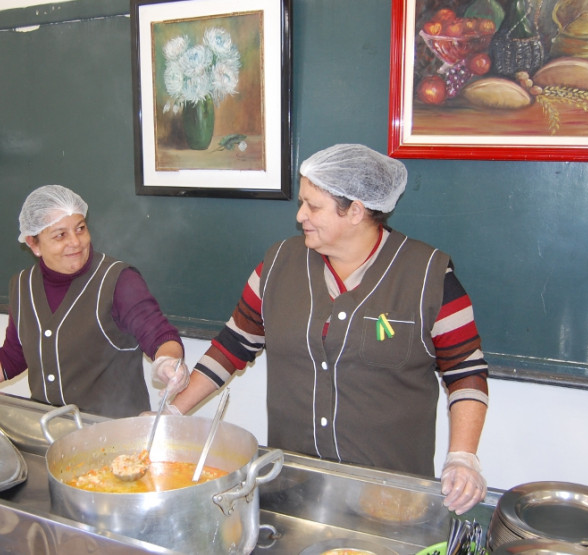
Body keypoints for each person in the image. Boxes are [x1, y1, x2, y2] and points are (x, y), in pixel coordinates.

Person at [171, 144, 488, 514]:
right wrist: (174, 414)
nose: (301, 215)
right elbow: (233, 345)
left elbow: (465, 371)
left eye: (313, 206)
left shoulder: (429, 276)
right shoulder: (277, 266)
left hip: (390, 497)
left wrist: (463, 456)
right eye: (301, 203)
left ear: (355, 210)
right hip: (294, 488)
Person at [0, 184, 189, 418]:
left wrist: (167, 361)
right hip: (49, 431)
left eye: (80, 228)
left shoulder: (118, 280)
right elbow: (13, 355)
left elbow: (159, 334)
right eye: (60, 235)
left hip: (114, 435)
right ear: (33, 244)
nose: (75, 242)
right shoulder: (22, 285)